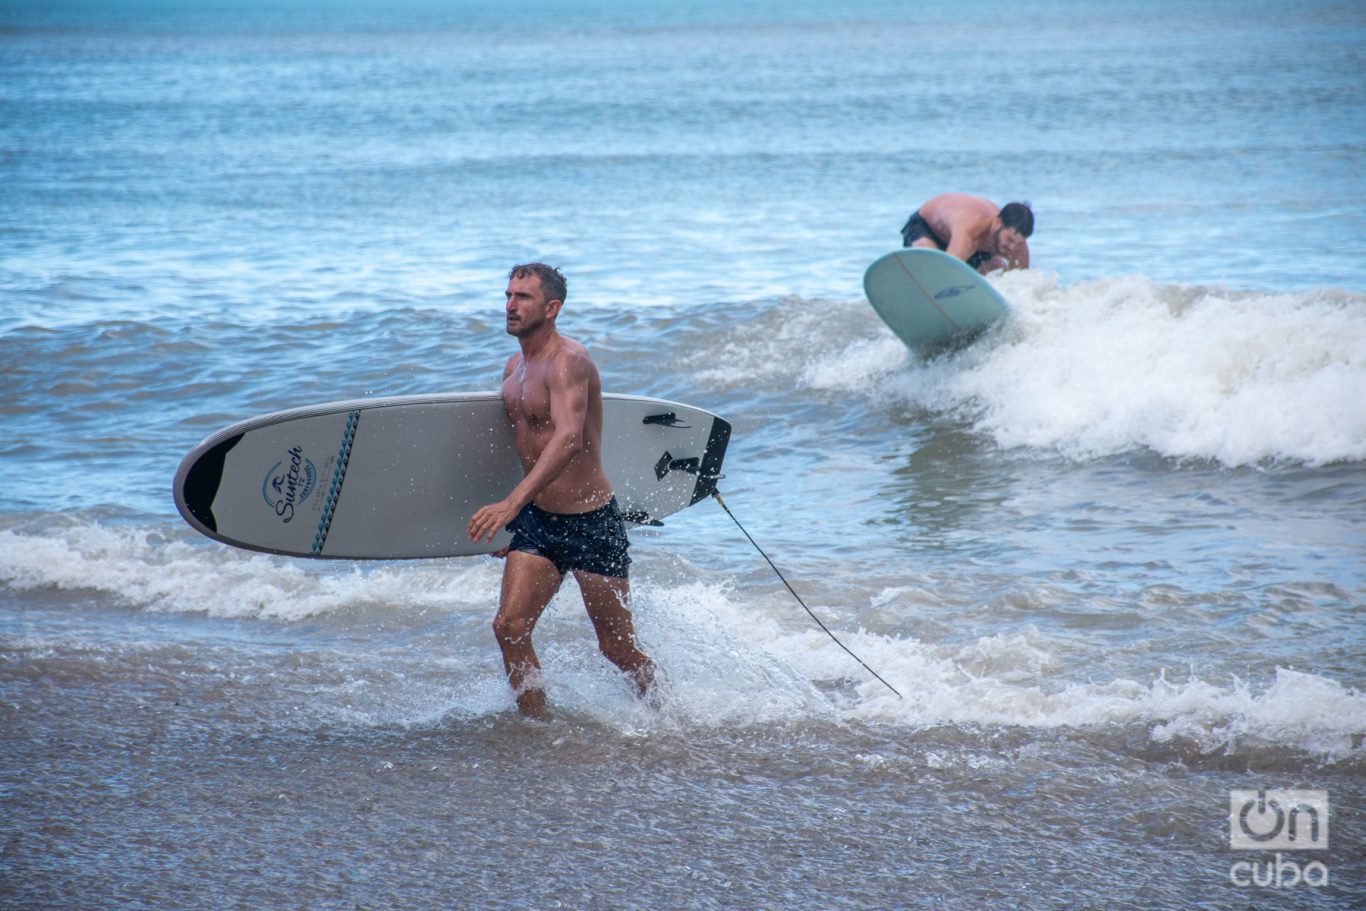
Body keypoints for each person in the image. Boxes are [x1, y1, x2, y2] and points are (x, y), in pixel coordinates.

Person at [467, 262, 655, 718]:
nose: (510, 306)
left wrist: (510, 503)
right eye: (508, 296)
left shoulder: (569, 360)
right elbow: (526, 446)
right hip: (538, 522)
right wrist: (515, 514)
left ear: (551, 308)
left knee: (615, 648)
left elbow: (568, 438)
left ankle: (665, 714)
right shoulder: (515, 367)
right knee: (509, 628)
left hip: (591, 522)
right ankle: (538, 730)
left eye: (523, 298)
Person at [900, 194, 1034, 274]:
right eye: (1009, 239)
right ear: (998, 223)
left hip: (969, 249)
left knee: (998, 267)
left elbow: (1022, 286)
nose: (1011, 247)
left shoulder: (1018, 246)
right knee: (931, 258)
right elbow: (946, 270)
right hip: (926, 228)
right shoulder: (970, 230)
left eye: (1018, 243)